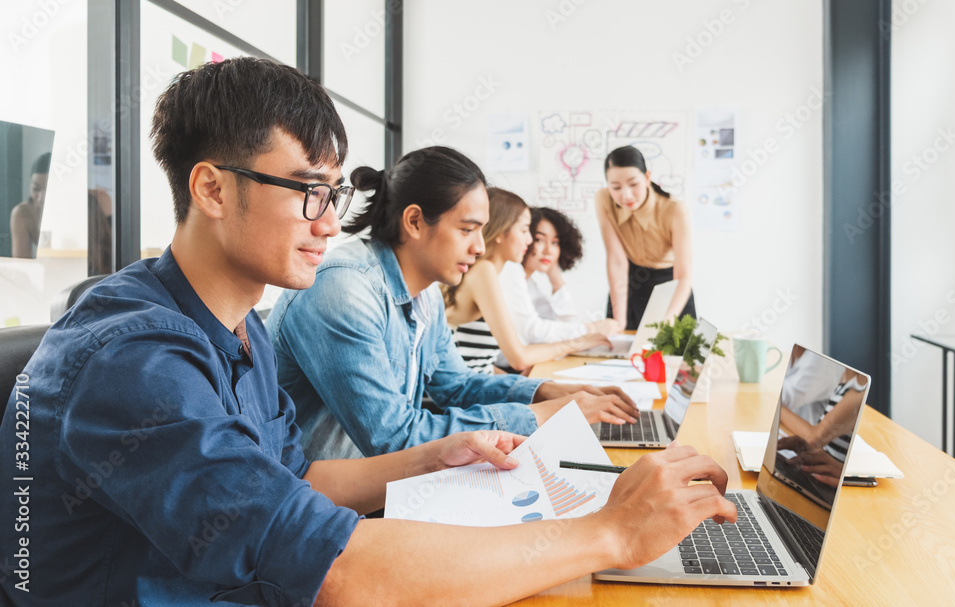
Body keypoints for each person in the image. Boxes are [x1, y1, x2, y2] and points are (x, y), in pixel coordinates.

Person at [0, 58, 736, 606]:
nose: (330, 220)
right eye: (307, 192)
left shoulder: (236, 325)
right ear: (212, 189)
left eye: (336, 191)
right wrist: (610, 532)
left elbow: (304, 477)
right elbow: (341, 571)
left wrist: (433, 456)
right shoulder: (133, 361)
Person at [267, 148, 639, 461]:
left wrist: (544, 392)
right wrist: (543, 415)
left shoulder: (425, 293)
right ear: (414, 221)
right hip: (324, 512)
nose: (480, 247)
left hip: (383, 492)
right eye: (467, 229)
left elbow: (456, 386)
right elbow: (393, 439)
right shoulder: (345, 289)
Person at [445, 188, 612, 374]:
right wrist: (576, 343)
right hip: (463, 393)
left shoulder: (490, 270)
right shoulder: (485, 270)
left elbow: (479, 363)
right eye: (525, 230)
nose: (529, 239)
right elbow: (519, 358)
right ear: (500, 232)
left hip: (476, 383)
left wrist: (516, 382)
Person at [596, 145, 695, 330]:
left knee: (678, 354)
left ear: (647, 177)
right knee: (620, 350)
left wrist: (667, 320)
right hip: (629, 282)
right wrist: (620, 321)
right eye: (616, 187)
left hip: (670, 284)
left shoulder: (674, 209)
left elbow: (683, 276)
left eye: (634, 184)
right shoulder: (603, 199)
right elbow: (617, 261)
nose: (626, 195)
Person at [499, 206, 618, 345]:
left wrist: (555, 277)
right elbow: (535, 332)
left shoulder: (529, 283)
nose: (549, 250)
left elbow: (564, 324)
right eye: (539, 239)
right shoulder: (509, 273)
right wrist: (591, 329)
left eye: (555, 242)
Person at [9, 152, 49, 258]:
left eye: (49, 189)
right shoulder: (23, 213)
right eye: (36, 189)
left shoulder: (82, 209)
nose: (41, 198)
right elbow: (21, 265)